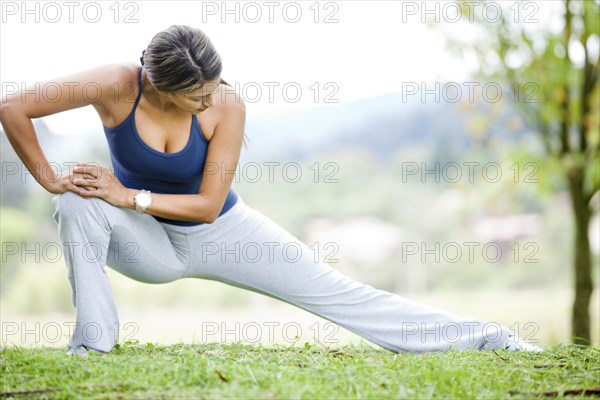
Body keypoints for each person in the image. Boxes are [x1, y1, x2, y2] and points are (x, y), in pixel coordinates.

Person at [0, 25, 542, 357]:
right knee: (72, 201)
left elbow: (209, 207)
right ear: (160, 87)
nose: (211, 99)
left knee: (341, 293)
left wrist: (130, 196)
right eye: (198, 96)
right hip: (148, 242)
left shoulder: (227, 104)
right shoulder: (117, 83)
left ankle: (489, 338)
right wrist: (50, 178)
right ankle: (93, 345)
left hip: (223, 230)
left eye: (215, 86)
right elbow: (13, 106)